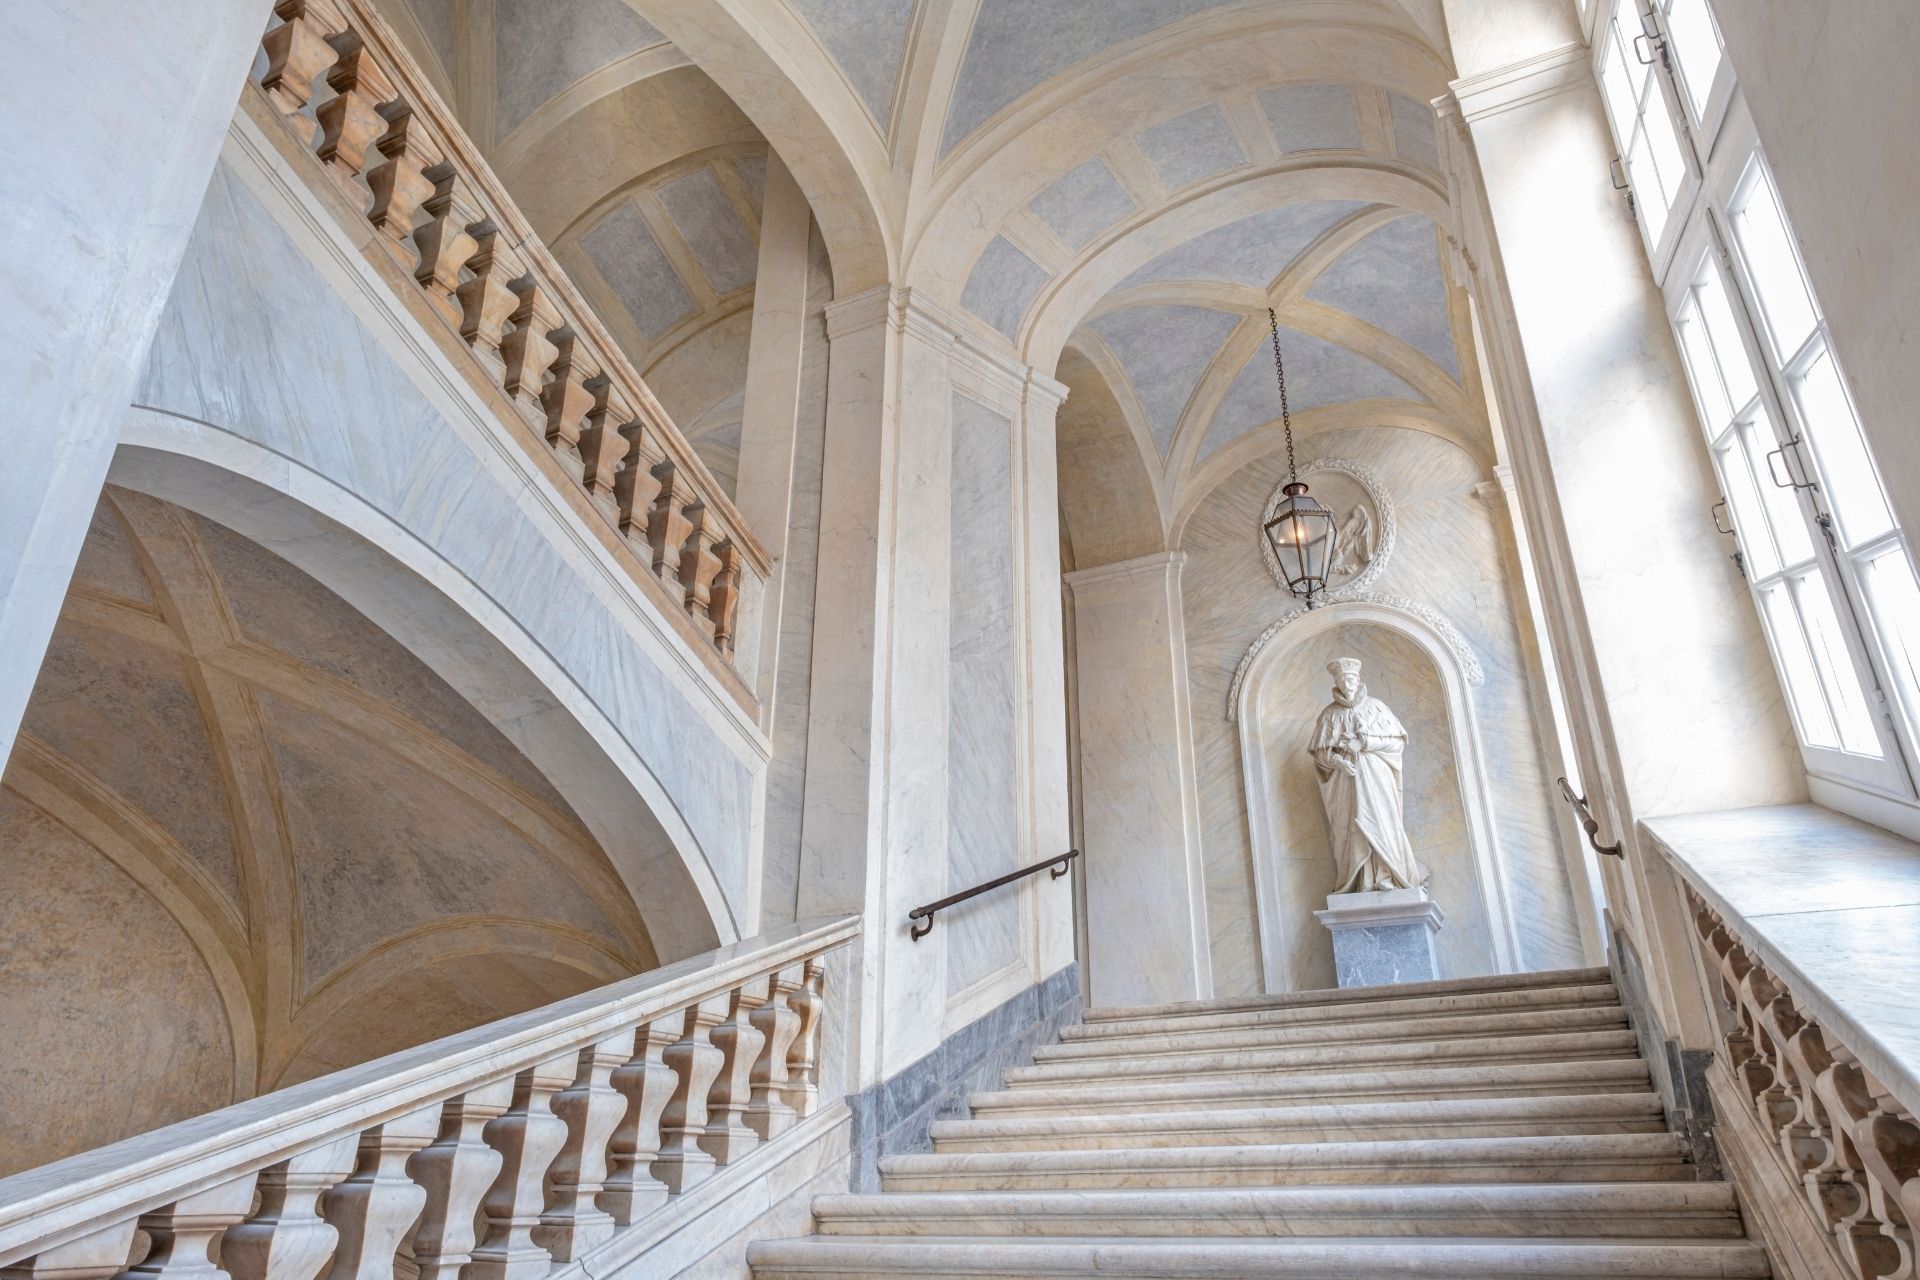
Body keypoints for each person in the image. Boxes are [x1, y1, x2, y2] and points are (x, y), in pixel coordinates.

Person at [1308, 657, 1429, 892]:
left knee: (1382, 822)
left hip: (1377, 778)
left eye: (1351, 678)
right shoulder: (1329, 715)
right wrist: (1337, 761)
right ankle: (1362, 880)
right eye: (1342, 679)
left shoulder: (1377, 707)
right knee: (1351, 829)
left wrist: (1364, 742)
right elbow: (1319, 756)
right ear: (1336, 683)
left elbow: (1396, 744)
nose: (1347, 683)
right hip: (1347, 783)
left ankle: (1387, 874)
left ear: (1359, 679)